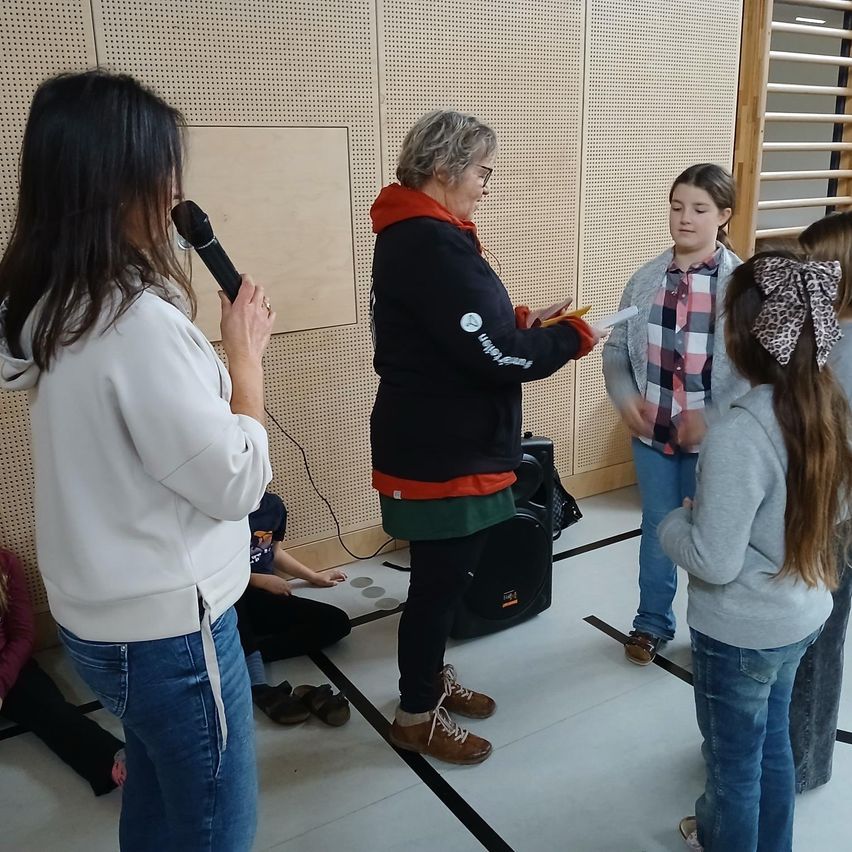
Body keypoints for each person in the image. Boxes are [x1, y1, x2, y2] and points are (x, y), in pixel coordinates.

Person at [0, 70, 273, 851]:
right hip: (169, 633)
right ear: (115, 183)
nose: (176, 189)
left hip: (98, 620)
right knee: (216, 830)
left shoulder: (44, 303)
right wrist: (245, 360)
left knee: (155, 798)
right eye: (163, 169)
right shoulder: (134, 324)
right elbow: (236, 482)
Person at [369, 109, 600, 764]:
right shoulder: (429, 241)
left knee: (443, 580)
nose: (486, 185)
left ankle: (430, 679)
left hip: (440, 438)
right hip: (443, 450)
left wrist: (522, 319)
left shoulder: (422, 232)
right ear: (445, 169)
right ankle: (416, 714)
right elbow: (494, 355)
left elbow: (458, 330)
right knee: (438, 586)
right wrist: (572, 337)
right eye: (482, 171)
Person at [658, 252, 852, 852]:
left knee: (733, 770)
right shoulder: (828, 407)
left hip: (741, 631)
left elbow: (714, 561)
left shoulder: (741, 433)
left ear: (745, 336)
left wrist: (674, 523)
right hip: (803, 614)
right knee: (773, 748)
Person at [602, 164, 748, 665]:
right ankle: (651, 623)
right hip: (655, 435)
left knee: (713, 538)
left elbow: (754, 370)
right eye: (677, 206)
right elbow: (616, 349)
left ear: (723, 215)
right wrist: (625, 398)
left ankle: (712, 633)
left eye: (699, 209)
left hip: (717, 442)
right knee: (659, 529)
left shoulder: (741, 285)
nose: (684, 218)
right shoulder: (646, 279)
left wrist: (712, 416)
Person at [787, 212, 852, 793]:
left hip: (832, 517)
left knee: (815, 641)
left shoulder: (842, 347)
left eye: (815, 264)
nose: (804, 273)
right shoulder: (827, 333)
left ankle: (801, 762)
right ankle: (800, 751)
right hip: (826, 510)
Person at [0, 547, 125, 795]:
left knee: (51, 710)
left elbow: (23, 635)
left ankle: (116, 763)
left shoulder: (6, 563)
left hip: (8, 666)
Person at [236, 491, 351, 725]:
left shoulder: (273, 506)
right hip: (231, 596)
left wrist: (314, 576)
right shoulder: (222, 511)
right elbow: (211, 571)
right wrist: (257, 580)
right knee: (236, 606)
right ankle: (258, 684)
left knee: (337, 622)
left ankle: (245, 654)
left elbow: (275, 552)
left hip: (263, 600)